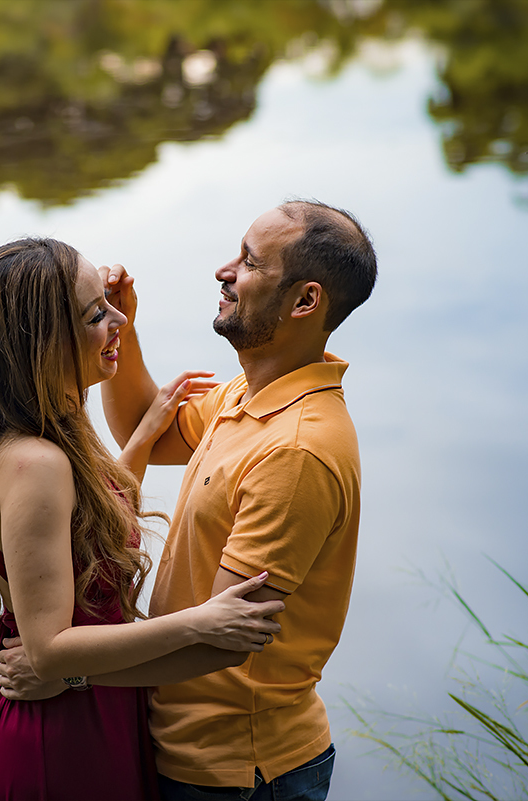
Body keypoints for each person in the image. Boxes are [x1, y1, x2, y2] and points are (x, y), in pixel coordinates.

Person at [0, 237, 286, 801]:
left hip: (89, 704)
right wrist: (201, 622)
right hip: (63, 735)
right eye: (98, 313)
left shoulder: (51, 431)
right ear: (45, 342)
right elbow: (48, 651)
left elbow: (85, 528)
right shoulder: (35, 463)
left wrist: (144, 436)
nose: (119, 318)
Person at [95, 200, 378, 800]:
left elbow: (217, 638)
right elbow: (144, 430)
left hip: (239, 771)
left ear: (305, 301)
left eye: (250, 262)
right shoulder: (250, 394)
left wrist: (69, 672)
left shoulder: (296, 450)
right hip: (189, 750)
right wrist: (122, 327)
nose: (224, 270)